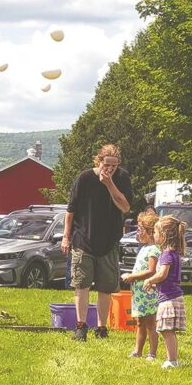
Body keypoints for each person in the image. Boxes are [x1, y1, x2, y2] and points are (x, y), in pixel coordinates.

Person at [63, 143, 134, 341]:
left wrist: (109, 184)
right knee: (82, 284)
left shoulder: (122, 178)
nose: (110, 169)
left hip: (109, 241)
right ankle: (81, 326)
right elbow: (70, 210)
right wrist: (66, 236)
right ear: (99, 160)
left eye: (114, 165)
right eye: (107, 164)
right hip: (83, 240)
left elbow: (126, 207)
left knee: (106, 287)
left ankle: (102, 328)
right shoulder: (84, 178)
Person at [144, 215, 189, 368]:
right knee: (168, 330)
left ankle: (172, 360)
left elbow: (162, 274)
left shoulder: (166, 254)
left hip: (169, 298)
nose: (153, 235)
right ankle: (173, 359)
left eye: (155, 233)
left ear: (163, 236)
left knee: (166, 330)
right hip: (174, 296)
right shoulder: (173, 253)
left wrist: (150, 280)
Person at [121, 209, 161, 360]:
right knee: (140, 323)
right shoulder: (144, 248)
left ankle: (152, 353)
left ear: (150, 232)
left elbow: (151, 271)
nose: (138, 233)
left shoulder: (154, 250)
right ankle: (138, 351)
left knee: (151, 324)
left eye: (140, 230)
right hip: (139, 293)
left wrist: (132, 276)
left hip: (148, 293)